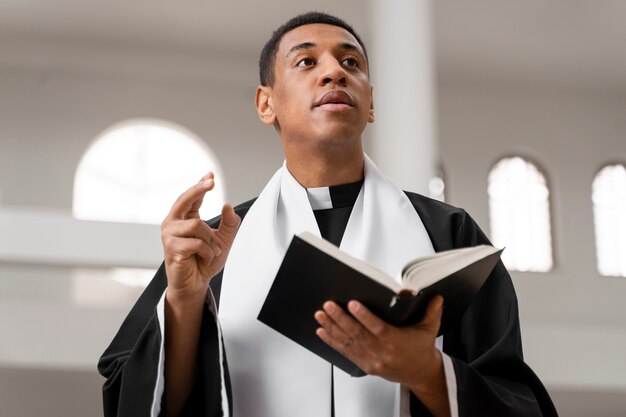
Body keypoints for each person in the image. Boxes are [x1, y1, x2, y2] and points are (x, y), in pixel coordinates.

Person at [99, 11, 558, 417]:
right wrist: (184, 301)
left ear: (371, 103)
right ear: (266, 103)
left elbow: (515, 399)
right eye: (306, 62)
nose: (334, 72)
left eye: (351, 62)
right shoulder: (215, 245)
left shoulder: (447, 234)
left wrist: (427, 372)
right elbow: (136, 401)